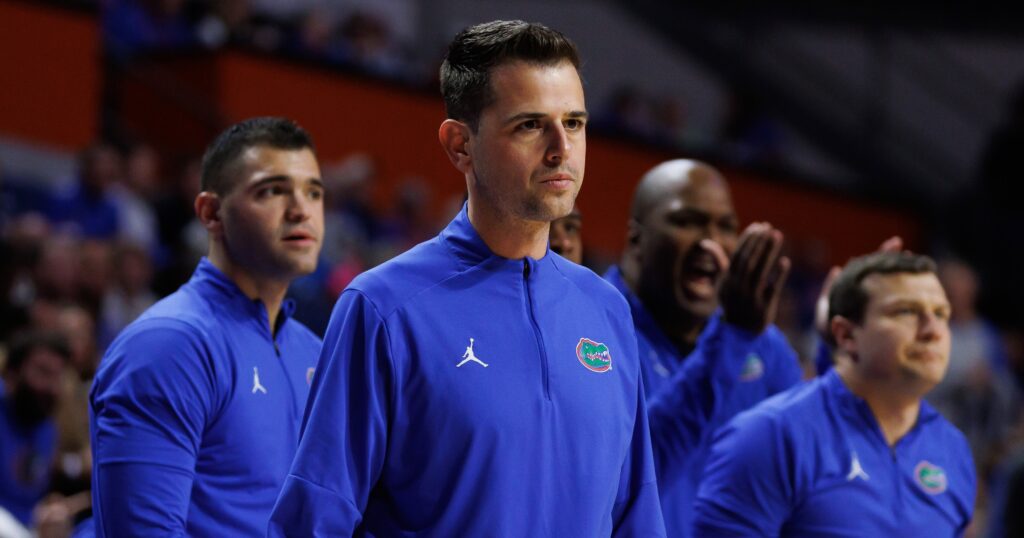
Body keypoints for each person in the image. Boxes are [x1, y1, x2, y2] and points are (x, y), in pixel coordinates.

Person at [270, 20, 665, 536]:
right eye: (529, 125)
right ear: (460, 145)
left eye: (573, 123)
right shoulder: (383, 309)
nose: (560, 149)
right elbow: (313, 522)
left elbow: (638, 515)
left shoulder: (607, 309)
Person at [89, 117, 325, 536]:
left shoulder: (313, 352)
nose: (300, 209)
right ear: (211, 213)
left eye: (313, 192)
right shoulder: (169, 346)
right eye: (272, 190)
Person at [693, 251, 976, 536]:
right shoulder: (771, 435)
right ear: (846, 335)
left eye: (941, 314)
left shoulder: (953, 450)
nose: (933, 331)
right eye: (905, 311)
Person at [602, 158, 801, 536]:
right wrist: (730, 339)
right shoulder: (593, 331)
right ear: (636, 240)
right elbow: (623, 482)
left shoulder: (762, 345)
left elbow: (808, 466)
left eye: (725, 226)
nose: (710, 242)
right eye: (687, 221)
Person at [0, 331, 70, 528]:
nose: (53, 388)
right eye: (43, 373)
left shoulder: (47, 429)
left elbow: (28, 499)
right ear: (11, 373)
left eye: (58, 376)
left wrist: (48, 511)